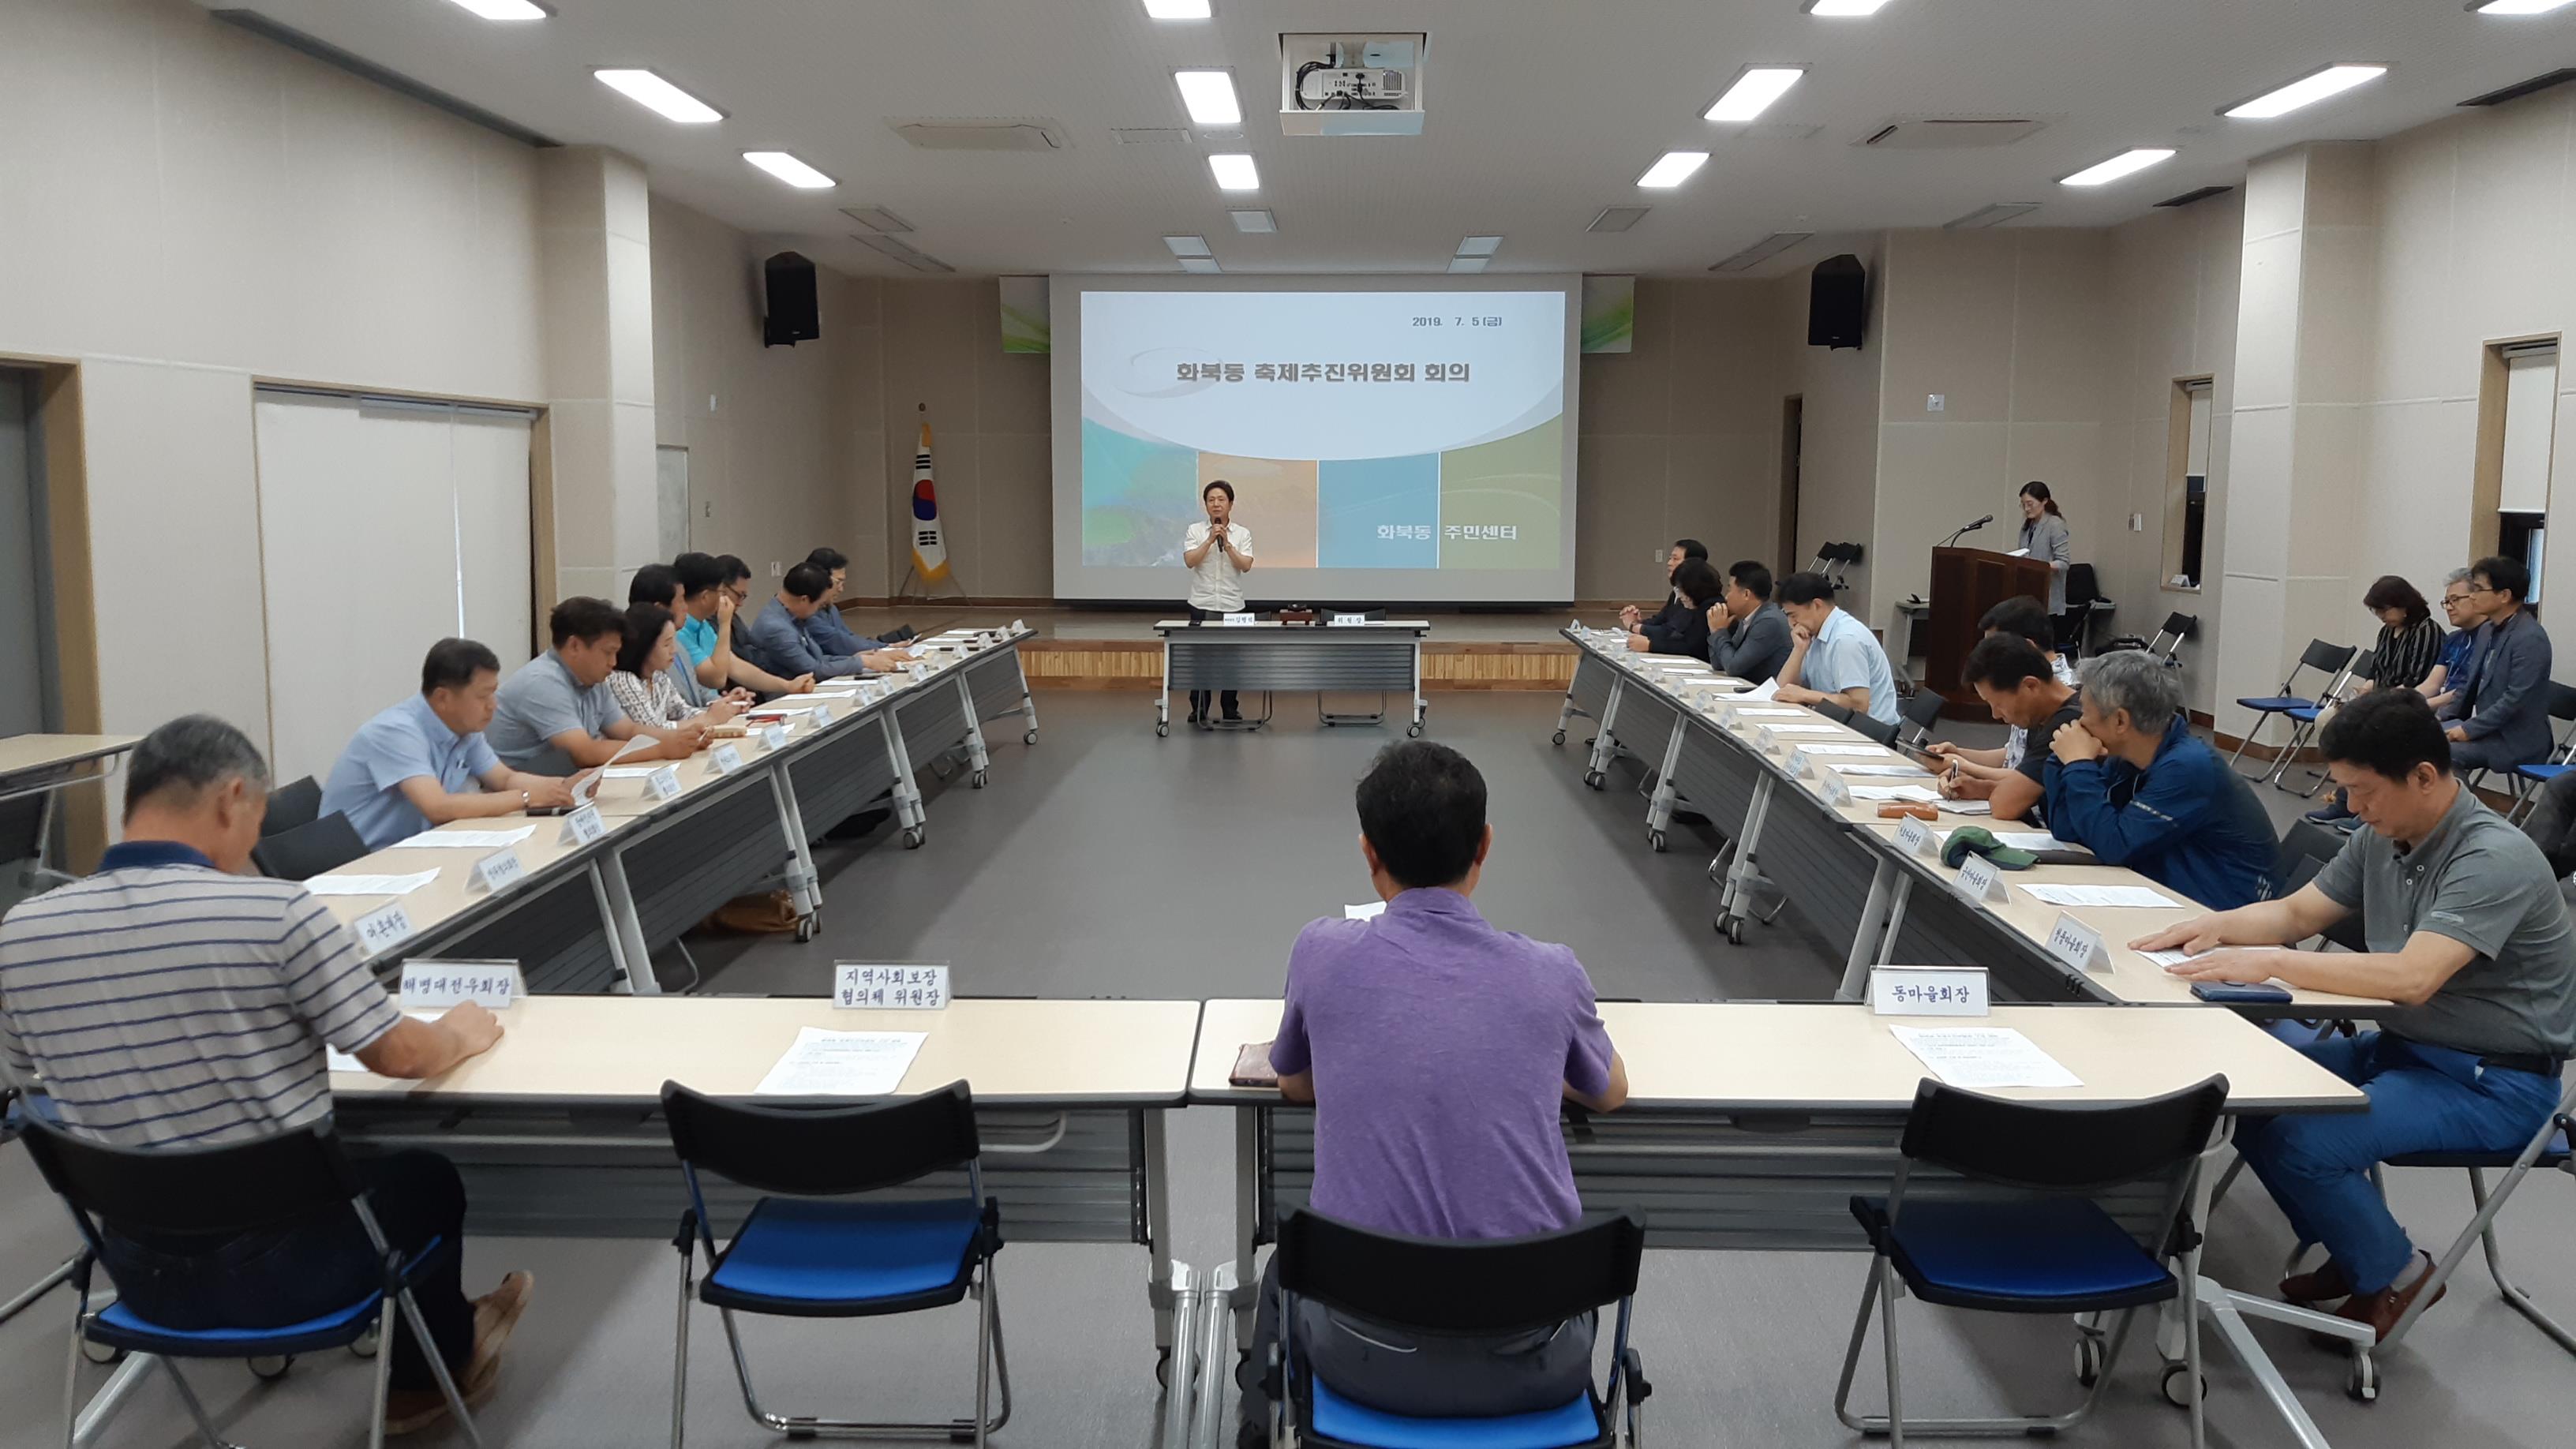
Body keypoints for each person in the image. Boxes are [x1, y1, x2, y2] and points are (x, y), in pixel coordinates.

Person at [0, 717, 532, 1434]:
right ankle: (426, 1379)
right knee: (427, 1177)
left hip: (140, 1274)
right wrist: (457, 1031)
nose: (253, 843)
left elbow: (27, 1072)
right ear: (232, 798)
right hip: (291, 1276)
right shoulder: (278, 913)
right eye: (254, 820)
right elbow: (398, 1057)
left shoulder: (21, 930)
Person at [2140, 689, 2575, 1341]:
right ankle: (2356, 1251)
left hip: (2494, 1079)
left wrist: (2272, 963)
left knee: (2302, 1138)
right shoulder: (2388, 832)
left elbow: (2412, 978)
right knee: (2252, 1100)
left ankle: (2399, 1275)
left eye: (2363, 790)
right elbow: (2297, 913)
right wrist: (2212, 927)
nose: (2350, 806)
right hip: (2410, 1049)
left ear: (2424, 777)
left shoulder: (2492, 858)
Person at [1236, 741, 1627, 1443]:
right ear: (1485, 846)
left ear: (1368, 853)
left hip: (1361, 1354)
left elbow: (1295, 1084)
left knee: (1278, 1273)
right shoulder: (1551, 974)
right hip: (1536, 1357)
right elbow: (1609, 1093)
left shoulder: (1321, 952)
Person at [2043, 649, 2276, 909]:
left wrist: (2078, 764)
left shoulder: (2188, 767)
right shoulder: (2127, 756)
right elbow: (2073, 833)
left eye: (2084, 713)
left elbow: (2114, 846)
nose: (2079, 724)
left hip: (2227, 914)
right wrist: (2061, 759)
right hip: (2173, 898)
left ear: (2120, 720)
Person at [319, 639, 583, 851]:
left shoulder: (465, 728)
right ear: (443, 698)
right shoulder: (396, 732)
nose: (494, 705)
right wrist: (526, 798)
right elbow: (438, 808)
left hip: (418, 850)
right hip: (360, 862)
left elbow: (504, 779)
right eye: (483, 696)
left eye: (494, 692)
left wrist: (565, 786)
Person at [485, 597, 704, 775]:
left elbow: (628, 730)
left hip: (558, 783)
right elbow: (584, 752)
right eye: (608, 652)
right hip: (517, 787)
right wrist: (662, 748)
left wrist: (680, 740)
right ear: (574, 646)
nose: (614, 663)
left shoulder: (594, 678)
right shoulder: (542, 682)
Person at [2308, 575, 2448, 826]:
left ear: (2403, 605)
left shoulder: (2428, 632)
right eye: (2376, 611)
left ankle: (2357, 803)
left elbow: (2415, 683)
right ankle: (2348, 797)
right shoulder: (2386, 632)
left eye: (2383, 609)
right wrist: (2365, 691)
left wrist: (2373, 702)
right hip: (2383, 701)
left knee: (2359, 735)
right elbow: (2376, 673)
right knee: (2327, 720)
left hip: (2407, 706)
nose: (2380, 616)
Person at [1927, 595, 2078, 782]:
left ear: (2026, 647)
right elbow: (2014, 755)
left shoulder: (2057, 699)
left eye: (1996, 647)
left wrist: (1962, 766)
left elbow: (2029, 779)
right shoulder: (2022, 686)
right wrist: (1959, 754)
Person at [1939, 635, 2082, 826]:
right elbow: (2031, 785)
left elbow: (2004, 806)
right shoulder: (2042, 716)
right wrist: (1982, 788)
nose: (1995, 715)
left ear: (2030, 686)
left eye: (1998, 704)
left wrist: (1988, 786)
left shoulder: (2068, 723)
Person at [2442, 555, 2554, 777]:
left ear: (2504, 595)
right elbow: (2470, 684)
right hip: (2486, 730)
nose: (2472, 597)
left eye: (2479, 589)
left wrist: (2468, 730)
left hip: (2516, 740)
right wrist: (2442, 718)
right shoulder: (2487, 629)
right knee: (2412, 738)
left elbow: (2515, 700)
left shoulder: (2531, 638)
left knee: (2442, 754)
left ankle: (2459, 812)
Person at [742, 563, 914, 683]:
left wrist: (857, 657)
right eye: (818, 605)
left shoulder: (789, 614)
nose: (818, 611)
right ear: (804, 599)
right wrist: (863, 663)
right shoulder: (777, 628)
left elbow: (817, 658)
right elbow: (813, 670)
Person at [673, 552, 811, 698]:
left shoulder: (703, 625)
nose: (723, 597)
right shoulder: (679, 632)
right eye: (720, 592)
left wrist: (788, 686)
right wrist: (725, 624)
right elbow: (717, 679)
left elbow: (735, 666)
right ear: (705, 597)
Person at [1773, 570, 1898, 724]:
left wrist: (1805, 695)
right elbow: (1784, 690)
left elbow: (1858, 704)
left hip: (1866, 734)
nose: (1791, 623)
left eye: (1793, 615)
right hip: (1836, 722)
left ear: (1817, 605)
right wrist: (1798, 650)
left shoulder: (1845, 640)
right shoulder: (1814, 633)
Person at [1181, 479, 1256, 724]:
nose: (1216, 504)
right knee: (1201, 660)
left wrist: (1228, 543)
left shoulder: (1243, 533)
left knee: (1231, 661)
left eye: (1221, 499)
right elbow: (1190, 561)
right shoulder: (1195, 530)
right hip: (1201, 603)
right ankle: (1199, 708)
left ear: (1231, 504)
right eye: (1211, 500)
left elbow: (1245, 565)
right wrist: (1210, 540)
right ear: (1205, 505)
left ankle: (1229, 708)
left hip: (1232, 605)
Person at [608, 602, 747, 733]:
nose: (674, 650)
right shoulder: (622, 680)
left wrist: (725, 708)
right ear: (645, 646)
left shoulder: (658, 677)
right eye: (667, 644)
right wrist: (708, 719)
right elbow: (652, 731)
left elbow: (683, 711)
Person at [801, 547, 915, 653]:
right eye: (838, 582)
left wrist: (882, 646)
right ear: (820, 580)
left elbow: (848, 637)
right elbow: (837, 642)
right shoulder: (806, 612)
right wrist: (885, 648)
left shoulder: (830, 608)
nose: (841, 589)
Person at [1706, 560, 1792, 684]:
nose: (1726, 597)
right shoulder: (1748, 617)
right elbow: (1719, 663)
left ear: (1746, 594)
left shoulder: (1769, 621)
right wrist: (1715, 631)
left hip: (1768, 694)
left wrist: (1719, 632)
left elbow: (1732, 667)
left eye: (1730, 590)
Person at [1619, 538, 1711, 648]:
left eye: (1675, 559)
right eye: (1670, 558)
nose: (1669, 563)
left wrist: (1635, 627)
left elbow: (1672, 631)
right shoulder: (1676, 592)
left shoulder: (1698, 595)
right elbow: (1660, 620)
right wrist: (1638, 622)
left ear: (1692, 564)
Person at [1626, 558, 1721, 657]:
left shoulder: (1711, 608)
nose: (1679, 596)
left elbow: (1692, 647)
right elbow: (1674, 633)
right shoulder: (1697, 606)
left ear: (1693, 587)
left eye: (1681, 589)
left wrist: (1650, 645)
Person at [2418, 569, 2477, 711]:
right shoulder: (2453, 638)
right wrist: (2403, 700)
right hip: (2442, 711)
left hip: (2465, 715)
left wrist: (2421, 705)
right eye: (2447, 602)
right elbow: (2432, 684)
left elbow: (2470, 689)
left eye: (2455, 600)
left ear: (2477, 598)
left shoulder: (2490, 638)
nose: (2449, 607)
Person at [2016, 481, 2073, 622]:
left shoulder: (2055, 524)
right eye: (2023, 505)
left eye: (2030, 504)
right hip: (2028, 596)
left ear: (2044, 501)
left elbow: (2064, 563)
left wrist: (2039, 567)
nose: (2027, 509)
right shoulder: (2028, 526)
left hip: (2048, 598)